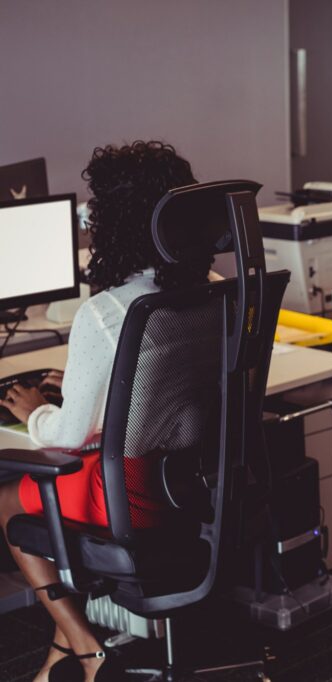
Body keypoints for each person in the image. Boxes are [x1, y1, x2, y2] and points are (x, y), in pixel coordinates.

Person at [0, 141, 210, 682]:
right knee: (55, 493)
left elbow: (69, 440)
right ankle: (58, 658)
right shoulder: (214, 292)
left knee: (6, 498)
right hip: (194, 484)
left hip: (130, 497)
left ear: (115, 220)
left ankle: (89, 653)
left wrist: (35, 411)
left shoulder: (107, 312)